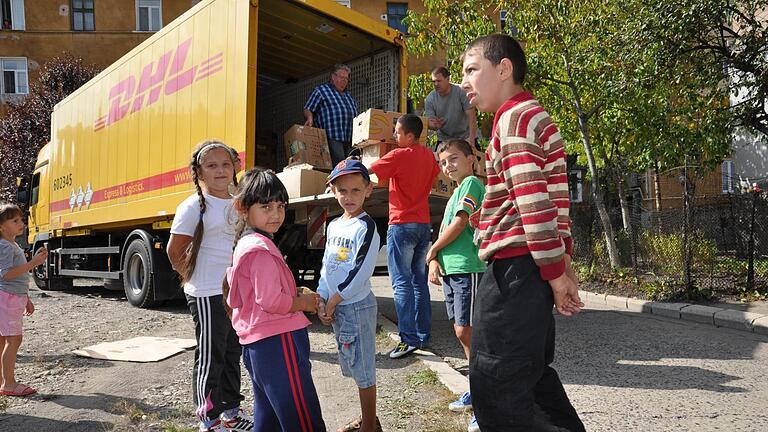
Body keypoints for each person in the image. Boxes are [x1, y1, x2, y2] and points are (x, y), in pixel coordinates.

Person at [460, 34, 585, 432]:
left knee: (496, 385)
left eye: (471, 69)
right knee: (530, 377)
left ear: (504, 69)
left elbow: (533, 204)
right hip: (528, 269)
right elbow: (544, 203)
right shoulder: (531, 116)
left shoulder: (514, 118)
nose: (464, 83)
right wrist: (559, 266)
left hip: (515, 271)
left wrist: (555, 272)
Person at [223, 167, 326, 432]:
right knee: (302, 419)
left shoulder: (246, 244)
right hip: (278, 341)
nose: (276, 214)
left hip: (260, 345)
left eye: (280, 206)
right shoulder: (259, 249)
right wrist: (304, 302)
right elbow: (271, 301)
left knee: (268, 418)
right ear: (242, 207)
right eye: (266, 206)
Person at [166, 141, 253, 432]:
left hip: (233, 294)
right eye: (212, 166)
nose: (220, 170)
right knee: (210, 355)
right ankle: (208, 418)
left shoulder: (238, 203)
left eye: (225, 164)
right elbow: (174, 251)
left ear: (234, 168)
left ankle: (230, 411)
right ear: (199, 173)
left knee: (232, 352)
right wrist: (192, 280)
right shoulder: (192, 207)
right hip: (206, 292)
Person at [316, 160, 382, 432]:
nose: (349, 197)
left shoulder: (366, 227)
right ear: (333, 191)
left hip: (355, 308)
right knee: (354, 365)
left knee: (364, 370)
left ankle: (369, 427)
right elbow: (327, 264)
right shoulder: (333, 226)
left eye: (356, 190)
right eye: (342, 190)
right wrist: (322, 296)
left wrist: (334, 299)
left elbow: (361, 270)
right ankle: (369, 420)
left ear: (368, 190)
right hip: (339, 306)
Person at [426, 139, 485, 431]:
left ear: (471, 158)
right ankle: (477, 392)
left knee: (468, 332)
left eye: (453, 159)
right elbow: (445, 226)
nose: (447, 166)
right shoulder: (452, 195)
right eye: (443, 162)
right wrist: (435, 259)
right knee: (462, 333)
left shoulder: (473, 183)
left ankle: (484, 403)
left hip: (469, 269)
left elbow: (461, 224)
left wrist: (432, 250)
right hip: (452, 271)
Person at [369, 114, 439, 359]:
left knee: (401, 283)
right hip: (422, 224)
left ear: (410, 136)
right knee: (419, 282)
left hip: (401, 224)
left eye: (397, 133)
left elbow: (371, 170)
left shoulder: (399, 155)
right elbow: (432, 180)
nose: (394, 136)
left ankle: (407, 340)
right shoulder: (429, 156)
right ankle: (422, 335)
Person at [0, 203, 47, 397]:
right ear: (1, 227)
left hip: (12, 297)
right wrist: (33, 263)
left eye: (21, 220)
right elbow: (6, 275)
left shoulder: (12, 244)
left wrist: (26, 298)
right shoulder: (5, 246)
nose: (22, 223)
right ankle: (9, 384)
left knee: (3, 339)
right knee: (14, 339)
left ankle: (3, 380)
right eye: (15, 221)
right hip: (8, 298)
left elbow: (16, 278)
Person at [304, 64, 359, 165]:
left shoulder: (349, 96)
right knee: (339, 164)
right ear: (333, 77)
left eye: (346, 79)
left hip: (350, 138)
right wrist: (309, 117)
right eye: (342, 77)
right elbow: (308, 107)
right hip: (332, 136)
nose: (344, 81)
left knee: (352, 164)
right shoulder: (321, 90)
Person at [424, 66, 477, 148]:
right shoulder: (430, 99)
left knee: (476, 159)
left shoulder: (461, 91)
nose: (436, 84)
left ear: (448, 79)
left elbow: (471, 114)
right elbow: (430, 122)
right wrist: (434, 125)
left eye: (439, 81)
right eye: (433, 81)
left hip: (465, 137)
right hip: (444, 139)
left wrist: (472, 137)